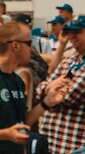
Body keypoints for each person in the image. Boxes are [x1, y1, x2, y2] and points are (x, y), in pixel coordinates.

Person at [36, 15, 85, 153]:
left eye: (78, 32)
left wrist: (50, 89)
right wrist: (50, 87)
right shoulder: (71, 59)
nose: (72, 36)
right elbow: (39, 90)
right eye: (70, 32)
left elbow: (71, 95)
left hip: (78, 144)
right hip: (52, 141)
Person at [0, 22, 68, 154]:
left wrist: (47, 102)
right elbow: (10, 132)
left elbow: (23, 120)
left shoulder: (17, 80)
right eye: (29, 43)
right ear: (15, 45)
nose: (32, 50)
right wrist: (5, 135)